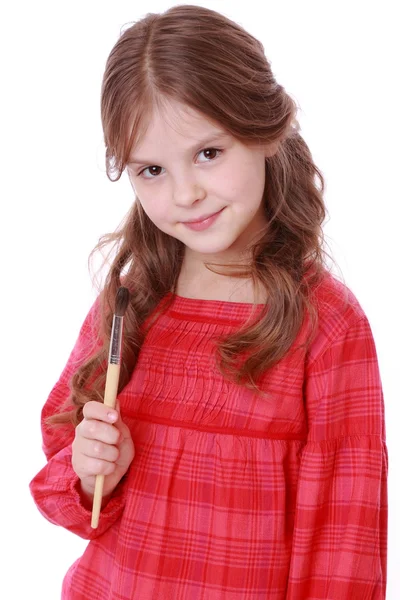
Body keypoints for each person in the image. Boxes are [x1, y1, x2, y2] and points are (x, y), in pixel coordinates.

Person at [29, 5, 388, 599]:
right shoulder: (130, 302)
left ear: (267, 129)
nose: (185, 193)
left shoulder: (325, 322)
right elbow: (69, 488)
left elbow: (343, 542)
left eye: (208, 153)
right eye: (151, 169)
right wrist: (92, 470)